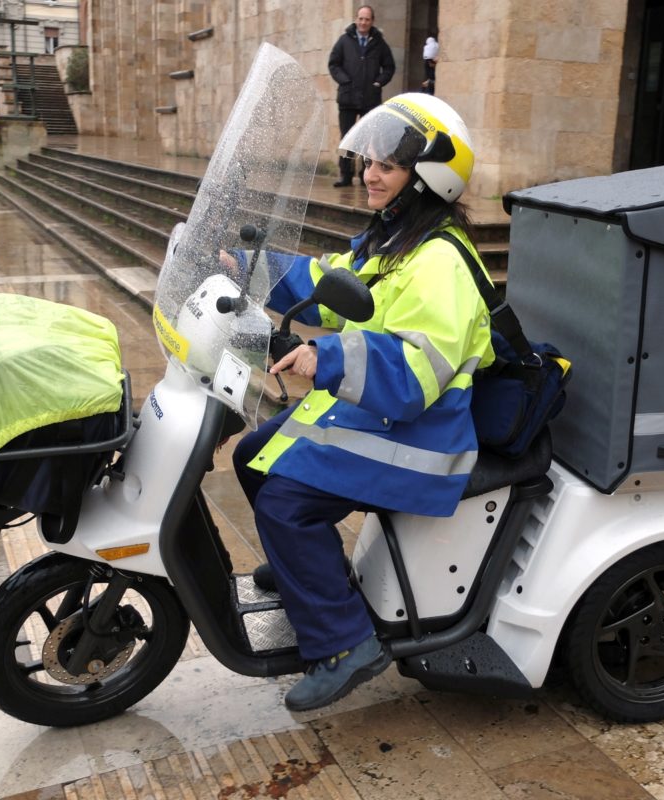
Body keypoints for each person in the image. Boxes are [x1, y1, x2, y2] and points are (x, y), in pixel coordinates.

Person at [231, 93, 492, 712]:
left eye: (387, 166)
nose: (370, 174)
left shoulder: (440, 262)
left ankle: (349, 643)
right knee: (251, 454)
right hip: (382, 415)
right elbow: (328, 287)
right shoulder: (393, 240)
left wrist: (328, 361)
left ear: (426, 179)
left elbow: (413, 374)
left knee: (288, 502)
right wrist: (245, 265)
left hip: (423, 435)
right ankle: (309, 574)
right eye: (369, 161)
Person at [327, 6, 395, 188]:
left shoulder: (379, 43)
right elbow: (333, 64)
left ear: (372, 21)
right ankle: (345, 175)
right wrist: (345, 81)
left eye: (367, 19)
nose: (363, 22)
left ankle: (365, 174)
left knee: (369, 139)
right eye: (360, 19)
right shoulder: (344, 41)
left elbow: (389, 67)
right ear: (356, 19)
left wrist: (378, 83)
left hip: (369, 100)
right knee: (347, 138)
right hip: (347, 98)